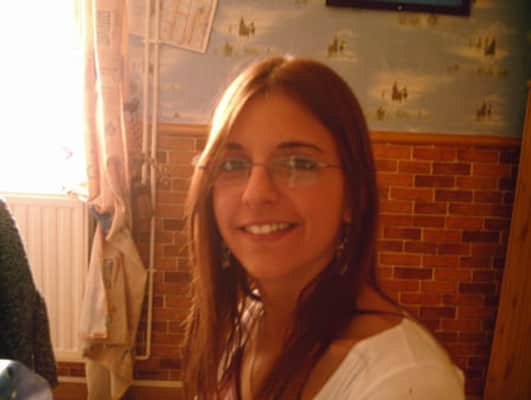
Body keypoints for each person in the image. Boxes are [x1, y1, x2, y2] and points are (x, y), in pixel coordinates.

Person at [182, 56, 465, 399]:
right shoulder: (244, 324)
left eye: (298, 163)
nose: (255, 193)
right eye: (232, 164)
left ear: (353, 195)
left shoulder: (406, 382)